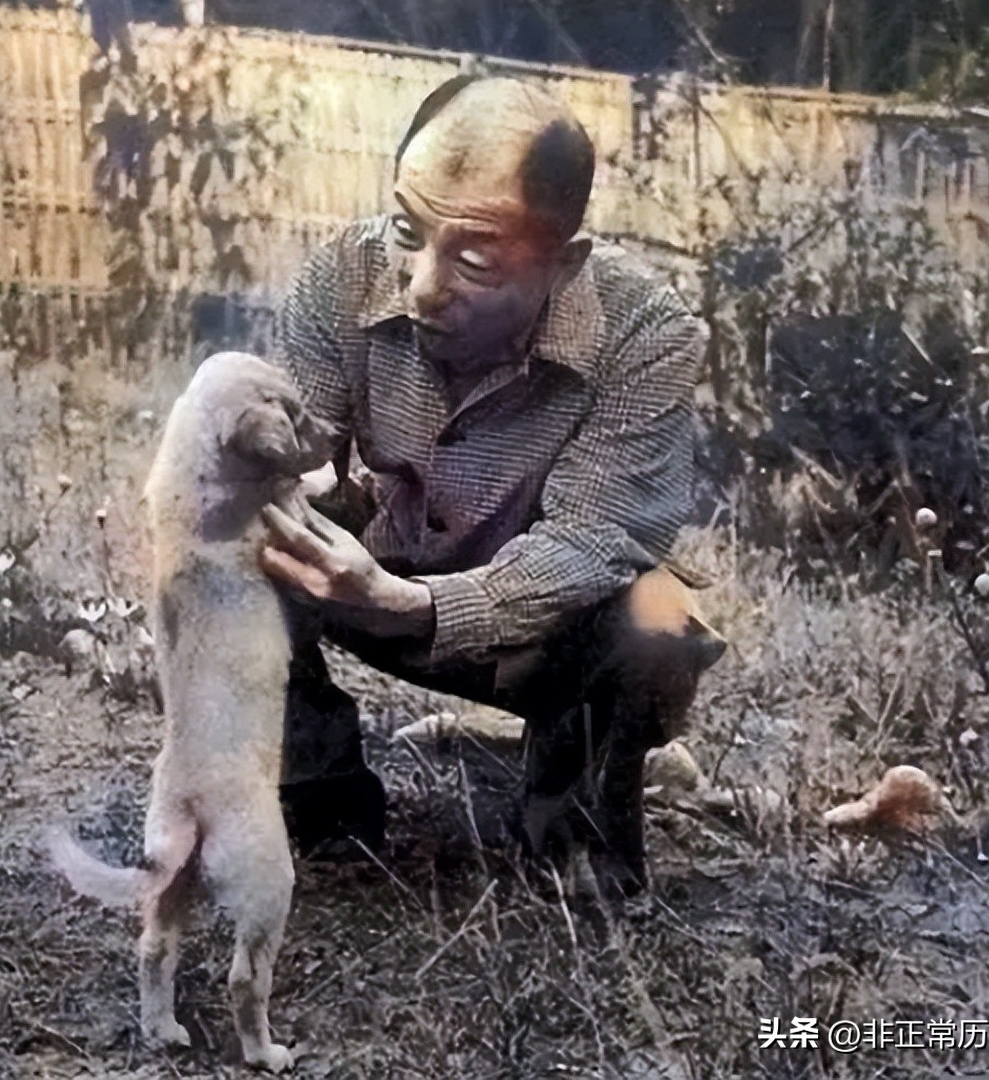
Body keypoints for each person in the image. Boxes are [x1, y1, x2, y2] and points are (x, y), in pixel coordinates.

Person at [256, 74, 724, 897]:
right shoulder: (343, 272)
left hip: (540, 629)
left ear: (563, 263)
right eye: (408, 229)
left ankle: (571, 829)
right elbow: (285, 457)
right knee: (240, 519)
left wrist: (422, 607)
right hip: (379, 569)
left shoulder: (647, 335)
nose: (421, 284)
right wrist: (290, 490)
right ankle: (312, 793)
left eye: (473, 258)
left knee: (657, 617)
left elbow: (595, 541)